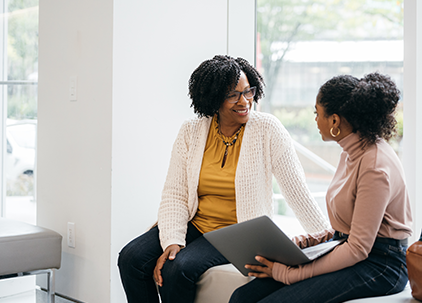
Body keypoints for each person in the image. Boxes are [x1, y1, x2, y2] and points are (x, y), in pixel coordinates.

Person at [117, 55, 329, 303]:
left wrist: (326, 237)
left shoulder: (267, 129)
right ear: (213, 97)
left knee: (177, 268)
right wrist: (173, 240)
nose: (245, 101)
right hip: (195, 224)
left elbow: (296, 190)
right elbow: (175, 193)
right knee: (130, 258)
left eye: (248, 91)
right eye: (233, 95)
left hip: (236, 232)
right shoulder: (191, 131)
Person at [229, 72, 413, 303]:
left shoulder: (374, 166)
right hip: (348, 247)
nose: (315, 120)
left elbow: (358, 248)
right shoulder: (351, 152)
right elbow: (347, 229)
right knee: (242, 297)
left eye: (317, 113)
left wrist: (290, 274)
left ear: (334, 121)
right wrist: (301, 244)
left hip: (382, 264)